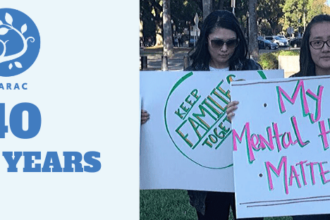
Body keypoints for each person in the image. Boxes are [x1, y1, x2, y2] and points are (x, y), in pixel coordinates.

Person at [227, 14, 330, 220]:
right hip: (308, 192)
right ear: (308, 47)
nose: (326, 48)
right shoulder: (289, 90)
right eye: (317, 42)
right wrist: (239, 115)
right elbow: (267, 130)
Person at [183, 10, 262, 220]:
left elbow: (268, 114)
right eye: (217, 42)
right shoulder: (191, 76)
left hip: (248, 169)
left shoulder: (252, 70)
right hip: (208, 175)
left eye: (231, 42)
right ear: (205, 40)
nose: (225, 49)